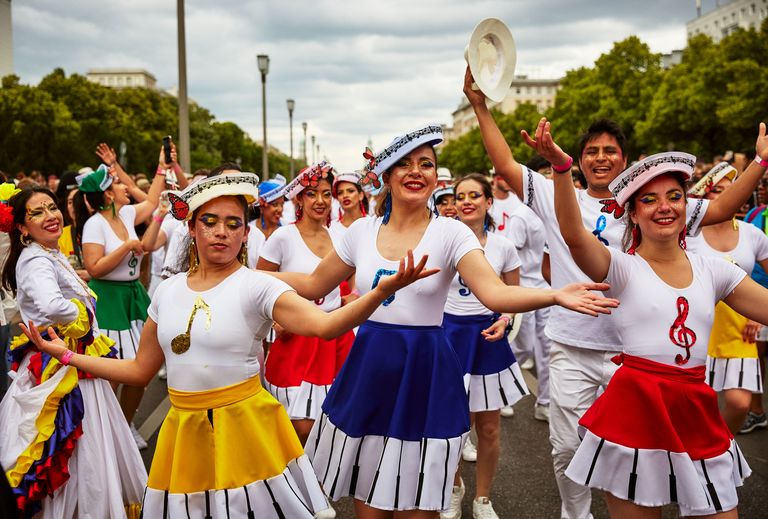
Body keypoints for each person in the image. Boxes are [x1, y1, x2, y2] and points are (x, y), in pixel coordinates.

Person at [21, 169, 435, 518]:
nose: (221, 232)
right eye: (210, 221)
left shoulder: (256, 285)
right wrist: (70, 356)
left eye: (233, 223)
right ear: (192, 227)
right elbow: (139, 371)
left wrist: (380, 293)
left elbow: (325, 326)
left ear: (246, 231)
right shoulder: (167, 291)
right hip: (184, 435)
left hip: (246, 430)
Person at [464, 66, 768, 518]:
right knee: (569, 450)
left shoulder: (658, 203)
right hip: (574, 342)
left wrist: (761, 162)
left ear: (625, 161)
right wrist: (480, 106)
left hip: (637, 355)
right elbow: (530, 189)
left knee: (666, 470)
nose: (601, 158)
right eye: (592, 151)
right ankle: (575, 513)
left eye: (611, 151)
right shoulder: (558, 193)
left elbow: (723, 205)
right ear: (579, 159)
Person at [272, 124, 618, 518]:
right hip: (369, 369)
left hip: (425, 370)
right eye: (405, 164)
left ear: (436, 177)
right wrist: (247, 273)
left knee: (420, 503)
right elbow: (314, 282)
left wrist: (554, 294)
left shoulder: (450, 233)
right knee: (368, 501)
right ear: (387, 175)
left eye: (426, 164)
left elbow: (495, 292)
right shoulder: (361, 233)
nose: (416, 171)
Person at [535, 121, 767, 515]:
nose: (665, 207)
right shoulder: (621, 269)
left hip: (696, 409)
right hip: (634, 413)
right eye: (650, 200)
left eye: (675, 196)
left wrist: (761, 160)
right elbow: (574, 236)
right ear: (632, 214)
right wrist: (561, 170)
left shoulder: (716, 271)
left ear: (685, 207)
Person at [0, 185, 146, 517]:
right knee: (79, 445)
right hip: (63, 366)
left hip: (73, 362)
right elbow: (51, 304)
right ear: (22, 227)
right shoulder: (36, 258)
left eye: (52, 207)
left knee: (91, 446)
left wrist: (78, 284)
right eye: (37, 212)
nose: (51, 216)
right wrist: (78, 314)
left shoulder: (45, 253)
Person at [440, 173, 527, 519]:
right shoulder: (442, 242)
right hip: (450, 338)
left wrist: (504, 319)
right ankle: (454, 488)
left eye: (475, 195)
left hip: (488, 338)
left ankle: (483, 498)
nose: (466, 201)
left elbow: (513, 296)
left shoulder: (504, 246)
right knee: (456, 426)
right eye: (460, 196)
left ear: (489, 202)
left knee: (489, 427)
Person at [257, 162, 355, 448]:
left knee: (329, 424)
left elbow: (351, 284)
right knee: (298, 426)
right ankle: (292, 485)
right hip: (295, 339)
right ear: (299, 198)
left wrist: (349, 298)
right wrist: (277, 321)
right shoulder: (282, 237)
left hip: (335, 337)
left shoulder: (341, 236)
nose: (321, 201)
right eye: (312, 194)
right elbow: (260, 283)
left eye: (326, 194)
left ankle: (315, 488)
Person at [75, 154, 166, 449]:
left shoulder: (126, 215)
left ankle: (126, 426)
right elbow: (94, 268)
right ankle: (104, 434)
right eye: (116, 182)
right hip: (109, 299)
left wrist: (162, 164)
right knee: (113, 371)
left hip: (133, 297)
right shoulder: (94, 225)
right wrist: (127, 246)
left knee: (142, 371)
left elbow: (153, 201)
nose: (124, 186)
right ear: (106, 194)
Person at [686, 163, 768, 434]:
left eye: (730, 190)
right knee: (698, 402)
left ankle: (718, 444)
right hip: (698, 326)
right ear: (704, 197)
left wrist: (760, 318)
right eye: (716, 191)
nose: (724, 196)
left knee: (739, 403)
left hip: (741, 326)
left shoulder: (752, 234)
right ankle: (703, 452)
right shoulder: (689, 235)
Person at [254, 174, 287, 240]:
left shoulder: (289, 228)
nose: (280, 209)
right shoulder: (249, 230)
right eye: (275, 204)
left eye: (282, 205)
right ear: (261, 207)